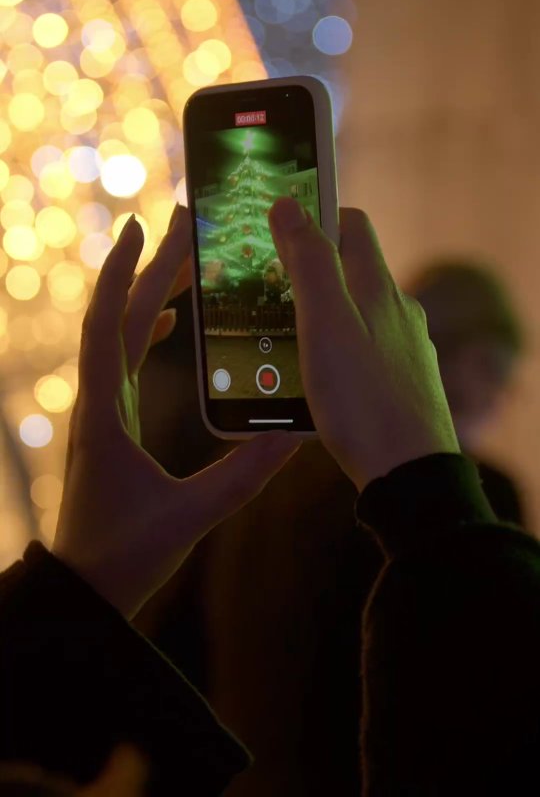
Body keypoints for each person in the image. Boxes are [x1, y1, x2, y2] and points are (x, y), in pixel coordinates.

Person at [0, 199, 540, 795]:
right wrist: (438, 498)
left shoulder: (255, 478)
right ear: (423, 348)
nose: (501, 394)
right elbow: (494, 723)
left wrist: (78, 589)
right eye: (492, 368)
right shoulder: (467, 496)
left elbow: (178, 649)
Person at [406, 260, 526, 523]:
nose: (459, 371)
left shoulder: (495, 490)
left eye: (486, 364)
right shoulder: (493, 492)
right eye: (441, 345)